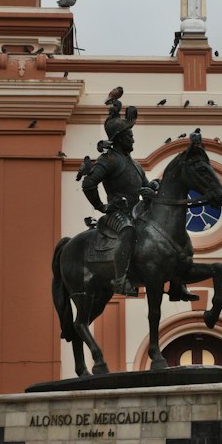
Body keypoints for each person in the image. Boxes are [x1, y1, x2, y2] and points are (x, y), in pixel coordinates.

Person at [80, 100, 194, 301]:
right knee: (128, 230)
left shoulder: (134, 165)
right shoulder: (109, 160)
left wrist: (153, 188)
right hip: (117, 213)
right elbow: (89, 183)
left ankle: (178, 283)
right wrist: (101, 206)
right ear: (120, 139)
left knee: (164, 233)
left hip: (136, 210)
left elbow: (146, 184)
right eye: (130, 136)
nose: (133, 140)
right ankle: (121, 279)